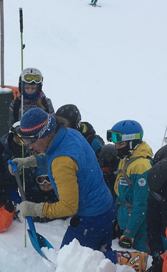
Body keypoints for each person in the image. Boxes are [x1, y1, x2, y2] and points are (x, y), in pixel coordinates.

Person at [12, 109, 116, 260]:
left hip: (91, 218)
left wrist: (35, 209)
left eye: (31, 141)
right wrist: (30, 161)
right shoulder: (68, 134)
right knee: (98, 257)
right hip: (105, 207)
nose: (29, 147)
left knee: (69, 264)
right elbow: (56, 154)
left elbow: (67, 207)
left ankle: (127, 262)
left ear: (47, 134)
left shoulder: (62, 163)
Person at [109, 120, 153, 253]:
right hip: (126, 224)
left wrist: (129, 233)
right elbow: (121, 195)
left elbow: (142, 205)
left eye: (121, 143)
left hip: (138, 232)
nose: (117, 147)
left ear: (133, 142)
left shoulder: (141, 166)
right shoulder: (126, 159)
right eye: (116, 144)